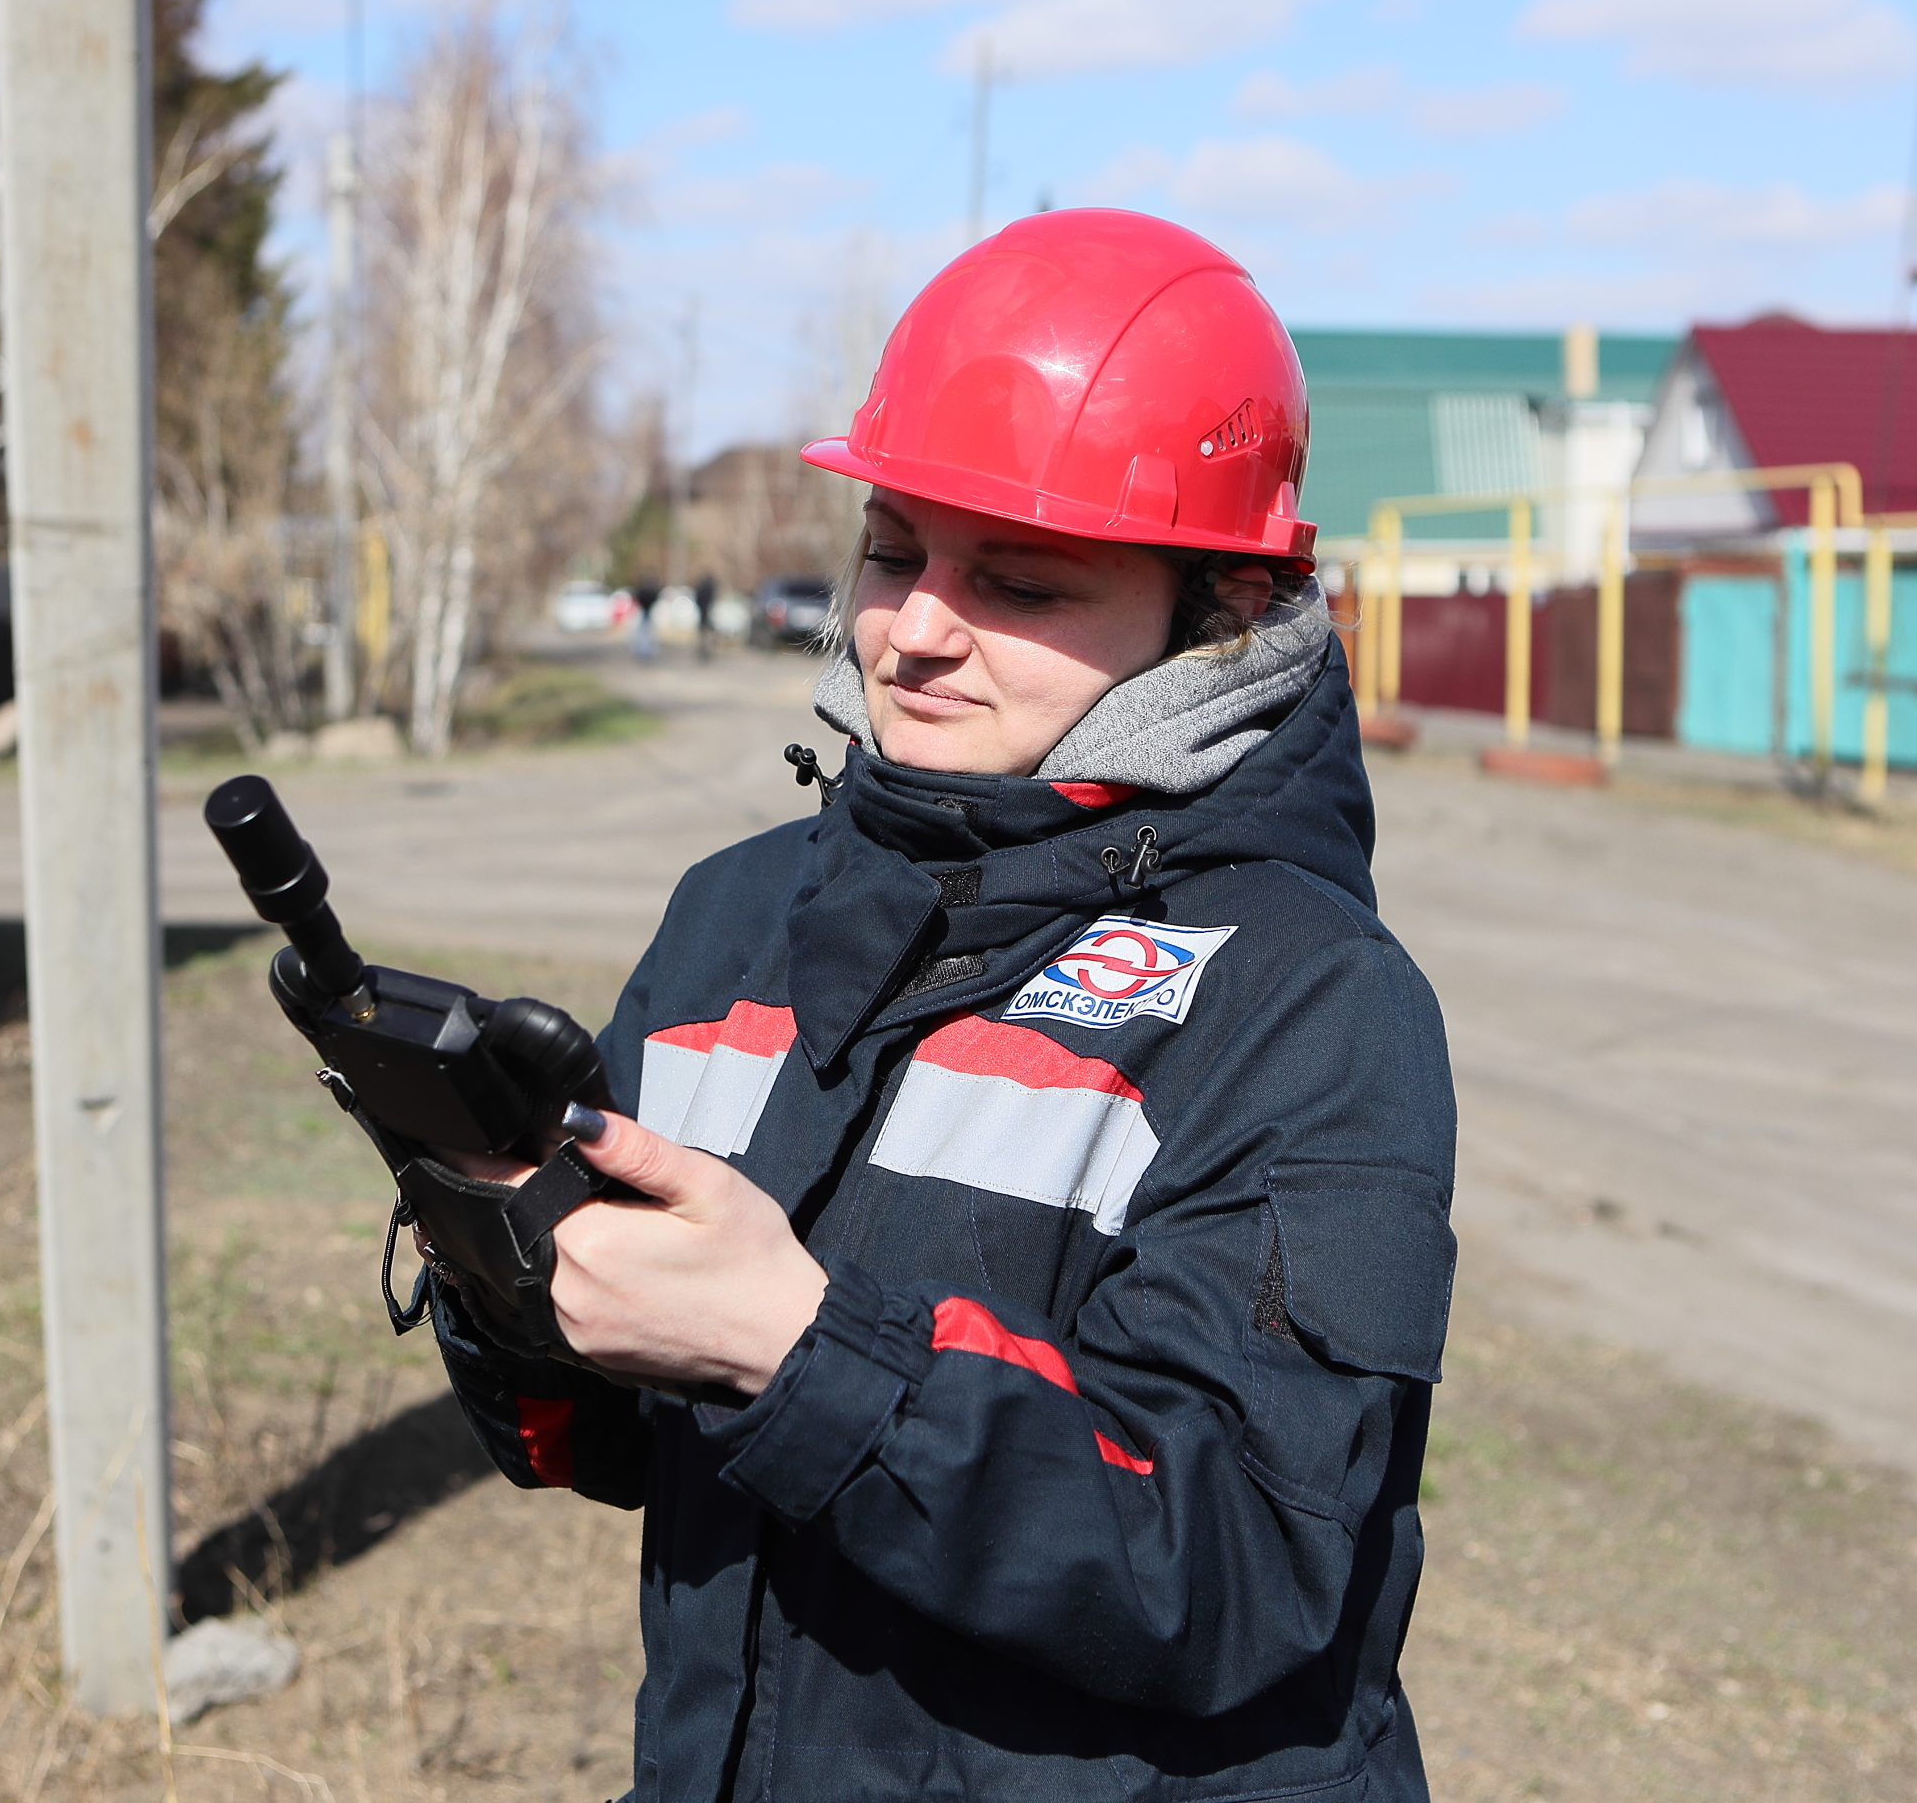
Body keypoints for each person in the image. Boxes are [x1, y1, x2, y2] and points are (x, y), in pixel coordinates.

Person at [426, 208, 1457, 1801]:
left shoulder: (1314, 1002)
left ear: (1218, 614)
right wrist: (518, 1279)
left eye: (1022, 583)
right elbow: (638, 1447)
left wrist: (795, 1349)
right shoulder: (737, 913)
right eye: (895, 551)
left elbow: (1247, 1563)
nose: (915, 632)